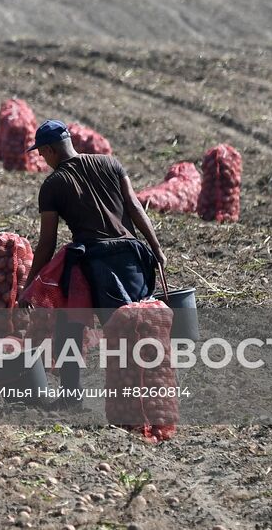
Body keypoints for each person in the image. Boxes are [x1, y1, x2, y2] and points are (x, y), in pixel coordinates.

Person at [27, 119, 168, 397]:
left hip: (96, 263)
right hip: (132, 255)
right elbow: (134, 206)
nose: (41, 158)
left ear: (50, 149)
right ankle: (151, 389)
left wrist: (30, 284)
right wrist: (156, 247)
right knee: (139, 324)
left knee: (107, 328)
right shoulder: (111, 163)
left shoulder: (53, 185)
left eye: (41, 152)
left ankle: (128, 398)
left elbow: (47, 243)